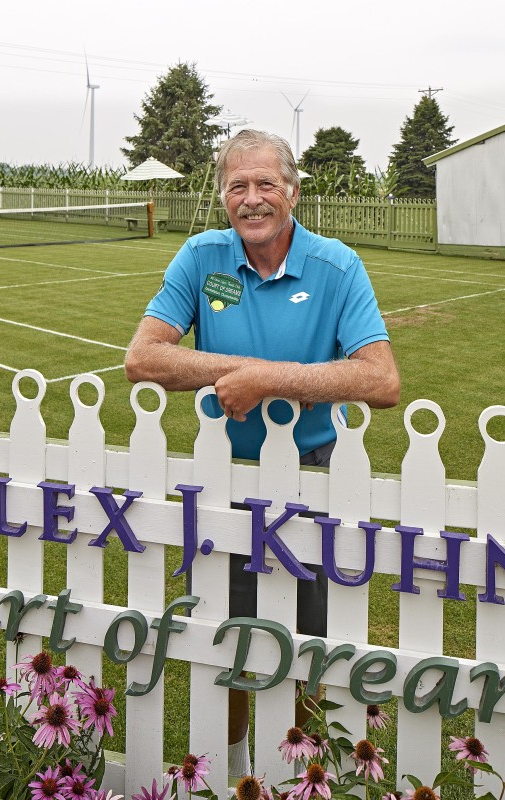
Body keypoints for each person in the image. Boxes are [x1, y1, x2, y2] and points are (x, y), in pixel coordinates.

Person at [124, 129, 400, 776]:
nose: (252, 199)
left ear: (293, 192)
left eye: (265, 184)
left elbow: (381, 380)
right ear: (222, 195)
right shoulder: (203, 258)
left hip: (313, 477)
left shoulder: (336, 266)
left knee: (308, 639)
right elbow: (143, 357)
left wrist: (272, 381)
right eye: (237, 186)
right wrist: (257, 368)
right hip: (223, 481)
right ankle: (234, 771)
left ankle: (296, 773)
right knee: (227, 638)